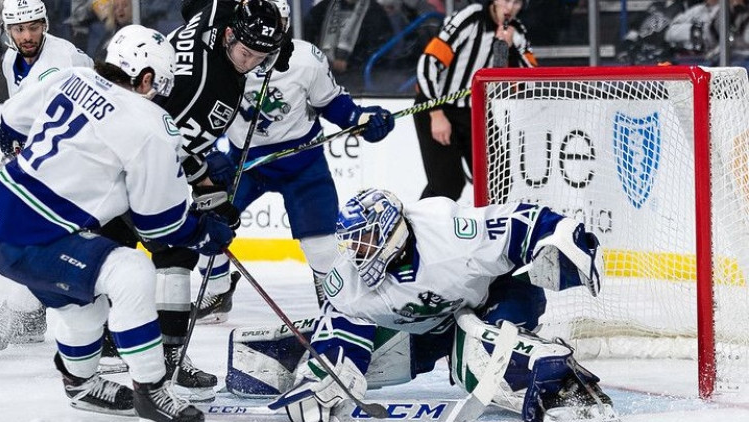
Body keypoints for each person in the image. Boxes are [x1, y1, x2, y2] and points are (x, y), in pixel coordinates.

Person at [0, 24, 235, 422]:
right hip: (39, 236)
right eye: (159, 88)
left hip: (2, 220)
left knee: (85, 308)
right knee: (131, 271)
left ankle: (80, 385)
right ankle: (151, 393)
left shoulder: (70, 75)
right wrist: (202, 232)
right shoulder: (150, 122)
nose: (159, 97)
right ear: (146, 78)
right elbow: (159, 225)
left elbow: (12, 118)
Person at [226, 188, 616, 422]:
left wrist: (563, 239)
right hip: (427, 325)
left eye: (365, 242)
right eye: (353, 243)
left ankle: (558, 378)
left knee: (478, 362)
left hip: (497, 296)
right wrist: (324, 374)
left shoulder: (447, 233)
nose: (357, 253)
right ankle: (283, 364)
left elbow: (522, 223)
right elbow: (344, 329)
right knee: (370, 364)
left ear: (389, 232)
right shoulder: (348, 278)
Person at [91, 0, 293, 402]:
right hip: (130, 163)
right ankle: (166, 357)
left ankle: (106, 339)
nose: (253, 63)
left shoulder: (220, 14)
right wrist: (204, 187)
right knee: (175, 250)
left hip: (113, 150)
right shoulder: (205, 86)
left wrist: (277, 40)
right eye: (247, 53)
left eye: (262, 57)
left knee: (114, 247)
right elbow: (167, 147)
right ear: (230, 36)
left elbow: (194, 5)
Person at [194, 0, 396, 324]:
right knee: (210, 223)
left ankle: (337, 312)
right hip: (243, 162)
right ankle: (217, 290)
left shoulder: (305, 60)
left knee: (321, 246)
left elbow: (332, 103)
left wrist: (361, 119)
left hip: (302, 163)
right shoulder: (218, 54)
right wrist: (206, 152)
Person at [0, 0, 94, 354]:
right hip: (48, 156)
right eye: (19, 29)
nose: (28, 36)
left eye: (34, 27)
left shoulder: (61, 61)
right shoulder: (9, 60)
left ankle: (24, 309)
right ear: (8, 30)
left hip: (82, 153)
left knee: (43, 232)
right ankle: (30, 313)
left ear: (45, 24)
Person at [414, 0, 535, 201]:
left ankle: (488, 230)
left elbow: (528, 84)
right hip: (435, 105)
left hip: (475, 112)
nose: (510, 8)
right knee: (446, 186)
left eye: (516, 2)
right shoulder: (471, 18)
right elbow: (429, 62)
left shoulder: (517, 32)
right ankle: (415, 230)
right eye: (506, 0)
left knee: (498, 181)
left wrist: (509, 49)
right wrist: (435, 113)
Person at [303, 0, 394, 91]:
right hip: (322, 74)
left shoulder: (375, 12)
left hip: (358, 79)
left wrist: (351, 64)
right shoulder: (323, 8)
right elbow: (305, 36)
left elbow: (380, 50)